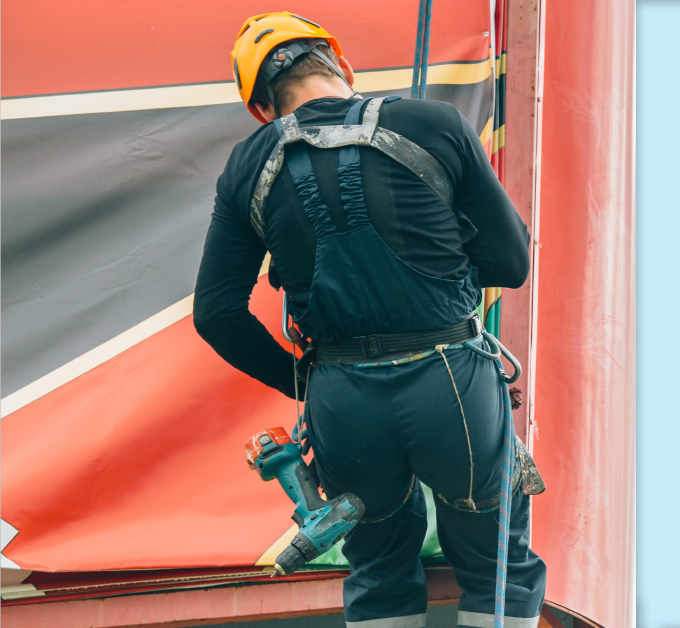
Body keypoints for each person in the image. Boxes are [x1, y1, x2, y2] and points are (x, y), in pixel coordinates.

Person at [193, 12, 546, 628]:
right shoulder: (431, 122)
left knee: (379, 573)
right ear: (342, 67)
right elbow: (510, 263)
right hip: (450, 384)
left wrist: (302, 383)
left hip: (343, 401)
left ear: (262, 109)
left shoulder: (248, 165)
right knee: (498, 568)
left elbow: (216, 313)